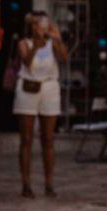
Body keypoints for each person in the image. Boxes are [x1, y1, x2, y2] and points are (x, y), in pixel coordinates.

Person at [14, 11, 70, 198]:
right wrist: (36, 47)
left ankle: (49, 183)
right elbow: (26, 61)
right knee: (26, 138)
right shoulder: (24, 43)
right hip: (28, 88)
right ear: (31, 26)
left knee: (48, 138)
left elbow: (64, 58)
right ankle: (26, 184)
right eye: (38, 23)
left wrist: (58, 39)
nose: (42, 26)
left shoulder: (52, 42)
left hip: (49, 88)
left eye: (44, 22)